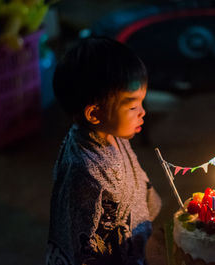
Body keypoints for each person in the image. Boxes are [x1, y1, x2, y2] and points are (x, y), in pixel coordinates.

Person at [46, 37, 161, 265]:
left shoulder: (109, 132)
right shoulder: (88, 175)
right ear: (94, 113)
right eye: (132, 105)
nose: (142, 112)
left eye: (142, 102)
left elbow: (135, 181)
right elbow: (90, 247)